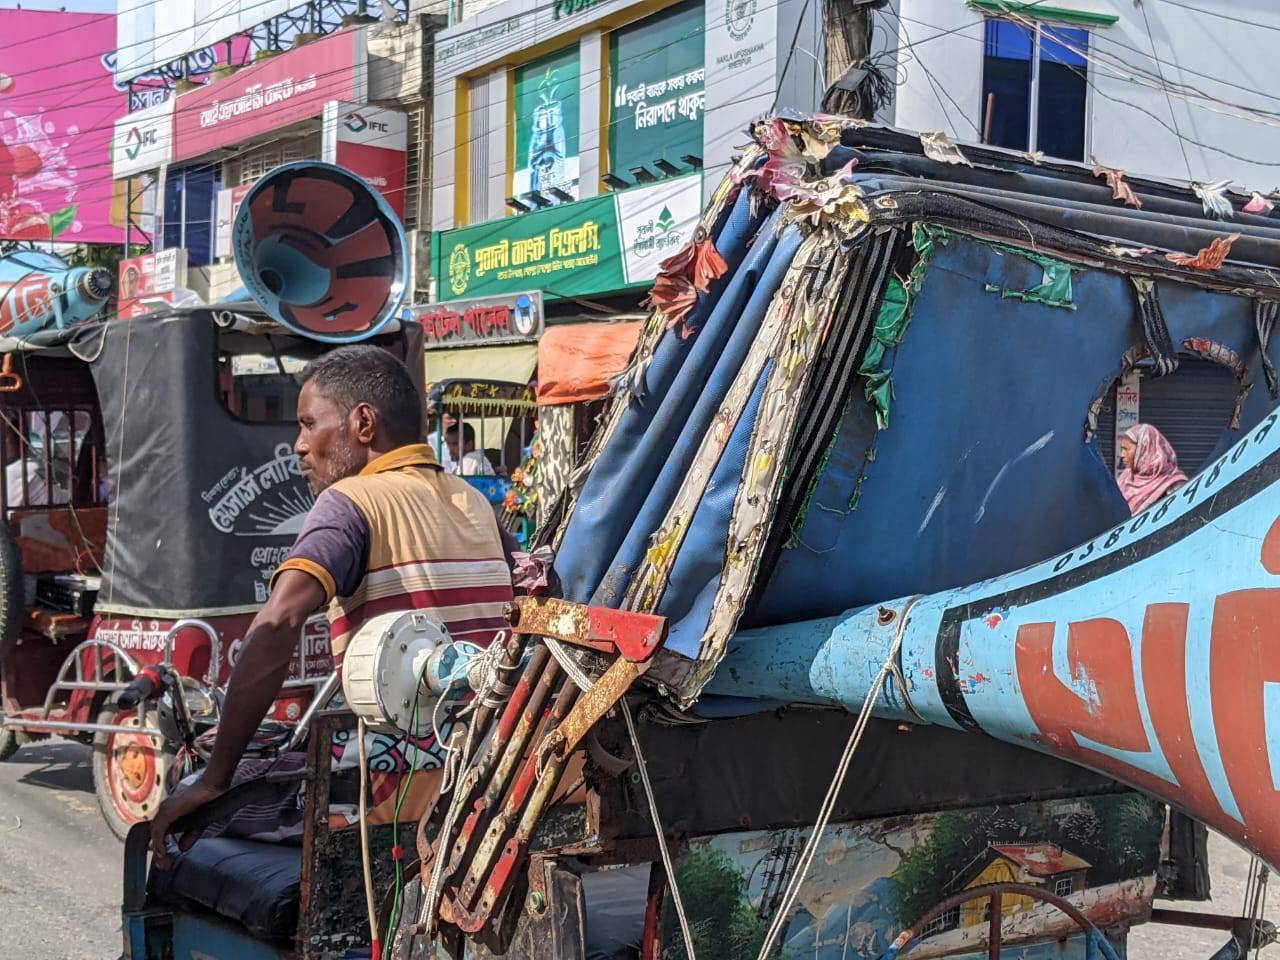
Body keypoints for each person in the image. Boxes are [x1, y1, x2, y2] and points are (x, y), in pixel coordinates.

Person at [149, 346, 516, 865]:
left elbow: (278, 624)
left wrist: (215, 778)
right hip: (487, 769)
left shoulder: (350, 504)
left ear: (363, 423)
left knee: (200, 801)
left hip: (392, 795)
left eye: (307, 424)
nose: (298, 445)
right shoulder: (476, 503)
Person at [1115, 422, 1188, 515]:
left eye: (1127, 449)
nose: (1122, 455)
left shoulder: (1174, 485)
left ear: (1144, 450)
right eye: (1122, 449)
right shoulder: (1125, 479)